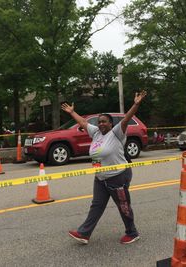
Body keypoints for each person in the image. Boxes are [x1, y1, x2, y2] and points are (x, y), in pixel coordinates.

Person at [61, 90, 147, 245]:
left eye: (104, 121)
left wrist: (136, 104)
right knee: (97, 205)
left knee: (123, 206)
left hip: (118, 175)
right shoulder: (96, 133)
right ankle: (84, 233)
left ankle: (132, 232)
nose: (101, 123)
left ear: (111, 124)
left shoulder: (116, 133)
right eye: (99, 121)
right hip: (101, 177)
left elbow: (126, 119)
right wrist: (72, 112)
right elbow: (83, 123)